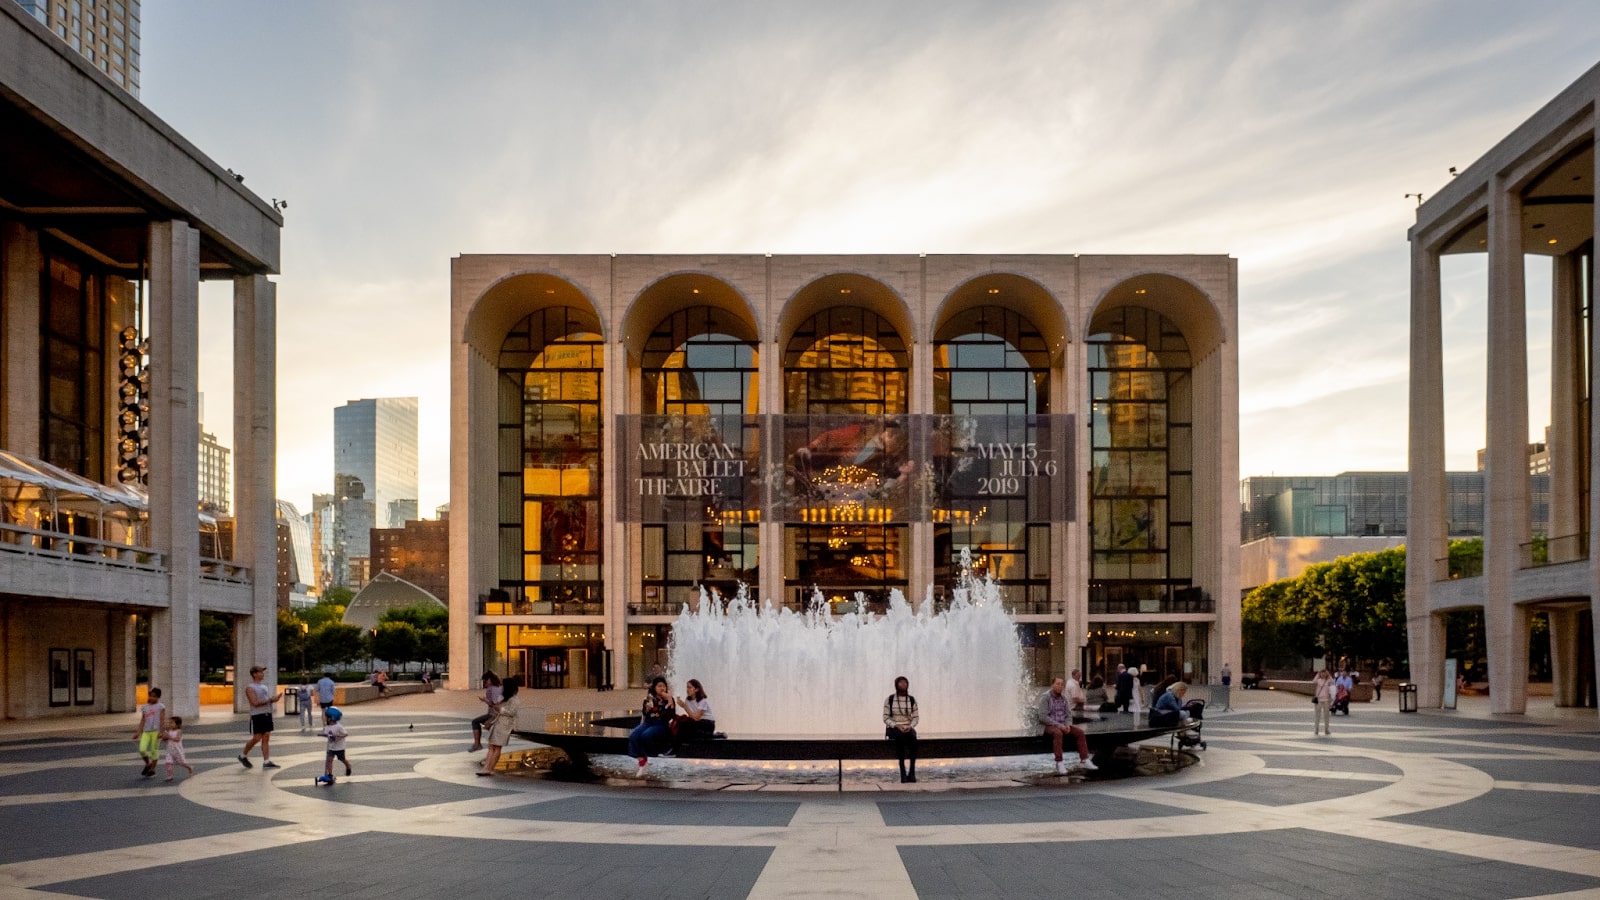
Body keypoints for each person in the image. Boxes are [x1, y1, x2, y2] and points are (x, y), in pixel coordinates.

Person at [1036, 677, 1097, 775]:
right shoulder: (1046, 697)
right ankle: (1059, 762)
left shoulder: (1064, 698)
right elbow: (1042, 717)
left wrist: (1068, 725)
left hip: (1063, 725)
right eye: (1057, 684)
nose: (1060, 686)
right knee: (1058, 733)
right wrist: (1059, 725)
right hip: (1049, 725)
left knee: (1080, 732)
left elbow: (1068, 714)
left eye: (1062, 684)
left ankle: (1085, 759)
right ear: (1052, 685)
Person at [628, 675, 675, 776]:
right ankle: (642, 760)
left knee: (646, 735)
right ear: (654, 688)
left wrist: (669, 702)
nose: (662, 688)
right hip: (648, 722)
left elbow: (671, 715)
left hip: (661, 724)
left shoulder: (669, 699)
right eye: (659, 686)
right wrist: (647, 709)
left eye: (664, 686)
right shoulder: (649, 699)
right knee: (634, 735)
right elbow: (645, 714)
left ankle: (650, 754)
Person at [238, 665, 283, 769]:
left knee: (266, 736)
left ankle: (266, 761)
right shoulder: (250, 688)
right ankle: (243, 755)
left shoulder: (264, 687)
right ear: (254, 674)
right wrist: (271, 700)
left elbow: (265, 700)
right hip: (257, 715)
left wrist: (272, 700)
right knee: (257, 737)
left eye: (262, 672)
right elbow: (254, 702)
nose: (262, 674)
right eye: (260, 672)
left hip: (266, 713)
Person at [479, 676, 522, 776]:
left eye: (503, 686)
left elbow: (512, 712)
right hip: (498, 723)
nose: (501, 688)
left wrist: (500, 709)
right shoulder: (505, 698)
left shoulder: (514, 700)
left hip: (504, 725)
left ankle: (490, 768)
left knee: (497, 747)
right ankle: (486, 767)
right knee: (492, 746)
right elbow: (497, 707)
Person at [883, 675, 919, 783]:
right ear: (896, 685)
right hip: (894, 728)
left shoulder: (911, 699)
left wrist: (910, 726)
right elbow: (885, 718)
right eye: (901, 682)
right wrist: (896, 725)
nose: (903, 684)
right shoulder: (889, 699)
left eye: (905, 682)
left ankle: (911, 772)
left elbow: (916, 717)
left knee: (913, 741)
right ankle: (903, 772)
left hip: (908, 727)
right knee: (900, 739)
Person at [134, 686, 165, 778]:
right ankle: (148, 763)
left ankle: (152, 769)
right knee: (142, 749)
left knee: (153, 750)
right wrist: (138, 732)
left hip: (156, 731)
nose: (152, 698)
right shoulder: (144, 707)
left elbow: (162, 720)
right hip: (146, 731)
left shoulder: (160, 707)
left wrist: (161, 732)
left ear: (158, 697)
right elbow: (142, 720)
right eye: (151, 696)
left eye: (155, 696)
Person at [316, 706, 352, 785]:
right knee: (329, 760)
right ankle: (330, 775)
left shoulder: (339, 727)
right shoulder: (327, 727)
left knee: (342, 759)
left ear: (331, 718)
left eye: (327, 717)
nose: (325, 718)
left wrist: (338, 737)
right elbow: (327, 734)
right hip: (331, 747)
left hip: (339, 747)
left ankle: (348, 766)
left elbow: (345, 734)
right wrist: (323, 735)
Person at [470, 671, 503, 752]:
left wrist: (485, 700)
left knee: (475, 722)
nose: (485, 683)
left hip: (493, 714)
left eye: (485, 681)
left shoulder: (491, 689)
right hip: (499, 714)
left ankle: (477, 744)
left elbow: (494, 704)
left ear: (489, 680)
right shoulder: (500, 687)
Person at [160, 716, 194, 782]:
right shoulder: (169, 731)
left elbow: (177, 739)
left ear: (177, 724)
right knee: (168, 762)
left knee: (181, 763)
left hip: (178, 751)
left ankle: (189, 767)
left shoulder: (179, 731)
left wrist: (169, 737)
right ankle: (169, 775)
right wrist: (163, 737)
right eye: (169, 723)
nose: (169, 724)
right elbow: (166, 740)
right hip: (170, 750)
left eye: (172, 723)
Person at [1312, 667, 1335, 736]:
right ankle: (1316, 729)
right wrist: (1318, 674)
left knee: (1326, 716)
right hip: (1319, 699)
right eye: (1322, 673)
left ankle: (1326, 729)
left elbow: (1333, 682)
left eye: (1324, 673)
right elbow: (1313, 681)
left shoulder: (1328, 681)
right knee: (1317, 715)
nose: (1323, 675)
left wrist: (1329, 675)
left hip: (1326, 700)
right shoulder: (1318, 680)